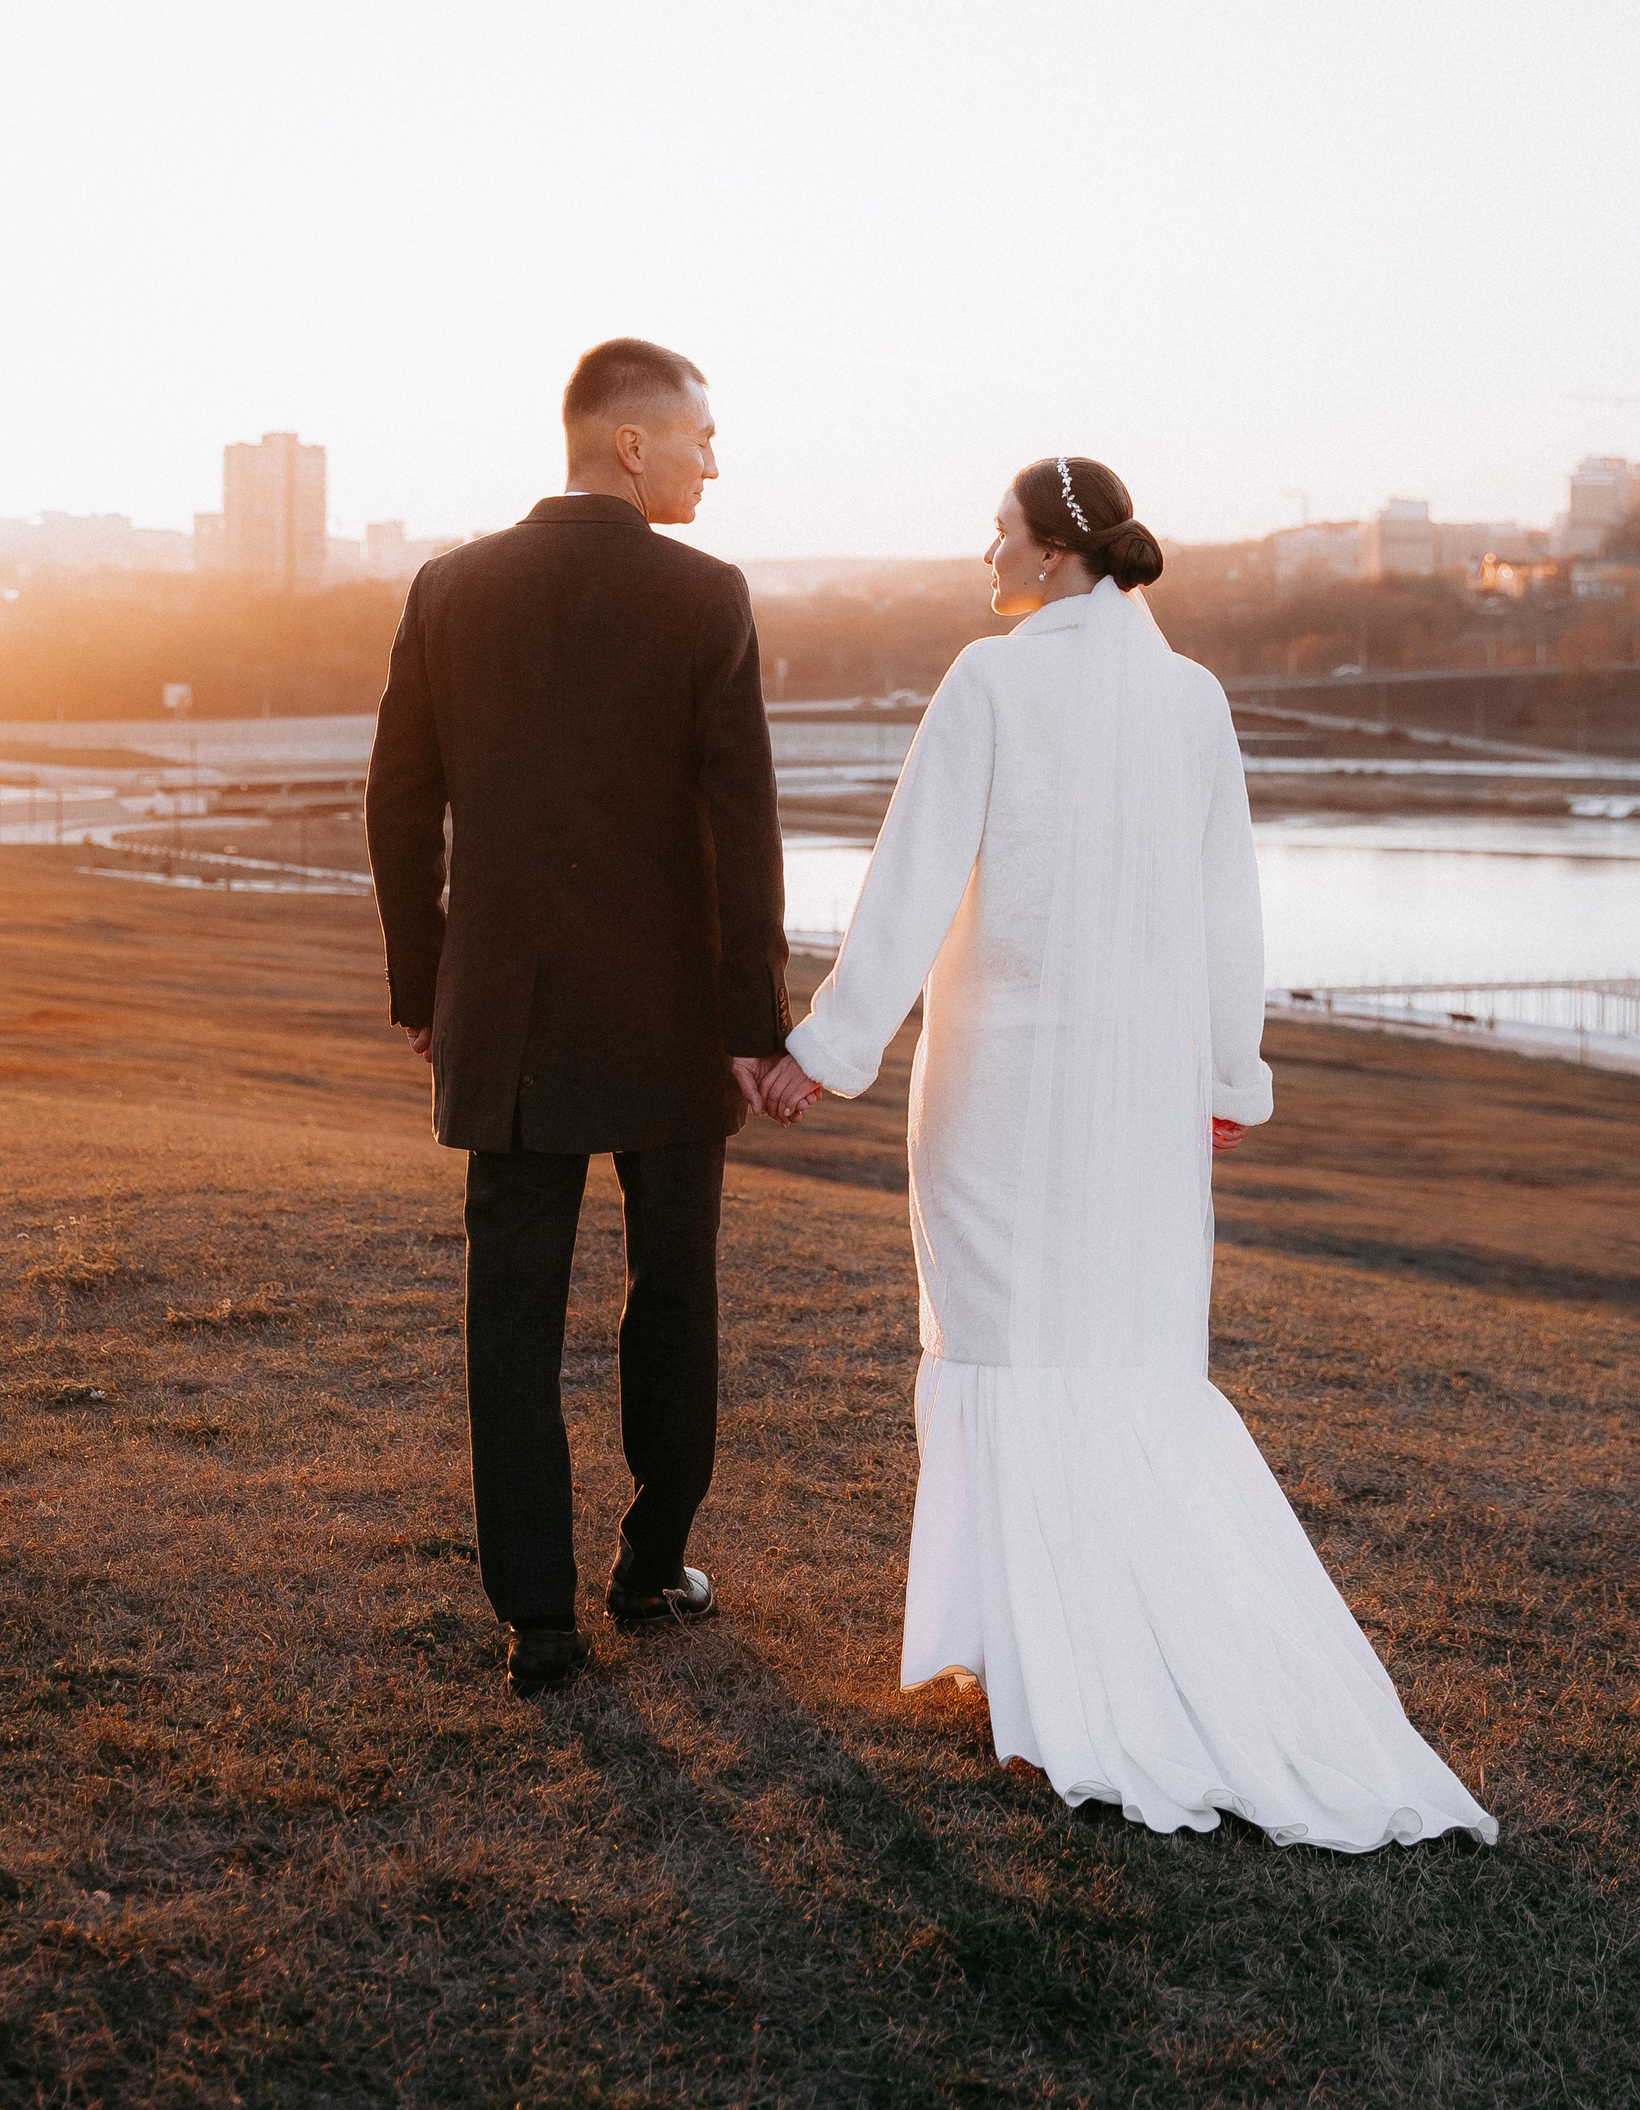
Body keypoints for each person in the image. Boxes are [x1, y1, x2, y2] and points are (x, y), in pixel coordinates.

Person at [760, 457, 1496, 1852]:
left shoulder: (989, 678)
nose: (985, 554)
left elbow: (912, 879)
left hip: (1004, 1089)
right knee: (1119, 1351)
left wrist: (831, 1045)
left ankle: (1047, 1657)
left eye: (998, 532)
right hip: (1143, 1098)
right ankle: (1061, 1640)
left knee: (1004, 1344)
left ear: (1051, 555)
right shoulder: (1195, 698)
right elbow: (1230, 909)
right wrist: (1225, 1072)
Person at [366, 339, 793, 1697]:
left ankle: (538, 1619)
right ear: (631, 444)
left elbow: (396, 805)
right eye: (701, 439)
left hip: (508, 1016)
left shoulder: (448, 588)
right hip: (671, 1021)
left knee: (511, 1316)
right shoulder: (708, 594)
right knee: (674, 1292)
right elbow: (744, 822)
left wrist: (425, 986)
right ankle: (651, 1566)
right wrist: (755, 1021)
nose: (714, 463)